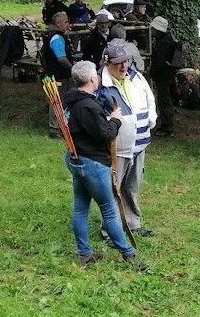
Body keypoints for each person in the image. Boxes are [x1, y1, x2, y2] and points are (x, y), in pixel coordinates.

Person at [62, 60, 150, 270]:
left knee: (81, 208)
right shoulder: (89, 106)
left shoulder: (72, 102)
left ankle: (85, 254)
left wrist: (107, 120)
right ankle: (129, 255)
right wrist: (116, 120)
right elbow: (105, 135)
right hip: (93, 163)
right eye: (97, 75)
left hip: (76, 160)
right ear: (93, 79)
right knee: (109, 210)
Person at [97, 40, 157, 239]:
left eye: (125, 61)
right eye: (117, 63)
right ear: (107, 63)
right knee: (114, 189)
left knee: (132, 186)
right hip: (117, 147)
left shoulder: (136, 76)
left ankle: (133, 224)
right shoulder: (100, 83)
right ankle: (110, 231)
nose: (123, 66)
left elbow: (149, 97)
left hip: (139, 144)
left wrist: (151, 118)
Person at [41, 11, 74, 138]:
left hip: (59, 74)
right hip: (57, 75)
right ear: (59, 23)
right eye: (66, 22)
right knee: (57, 101)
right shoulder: (56, 38)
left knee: (62, 100)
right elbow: (61, 58)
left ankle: (61, 127)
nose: (68, 24)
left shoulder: (56, 36)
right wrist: (72, 69)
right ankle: (54, 129)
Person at [148, 16, 180, 137]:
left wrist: (153, 73)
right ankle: (167, 125)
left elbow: (160, 63)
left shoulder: (162, 44)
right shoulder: (169, 40)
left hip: (163, 77)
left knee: (164, 102)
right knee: (167, 101)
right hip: (169, 75)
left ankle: (167, 127)